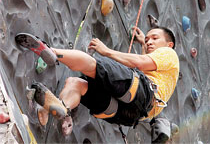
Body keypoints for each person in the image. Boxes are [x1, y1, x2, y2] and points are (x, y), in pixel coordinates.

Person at [15, 26, 179, 141]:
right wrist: (144, 41)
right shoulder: (164, 71)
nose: (150, 42)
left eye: (155, 38)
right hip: (129, 115)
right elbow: (148, 61)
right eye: (148, 39)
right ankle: (63, 108)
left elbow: (141, 63)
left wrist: (105, 50)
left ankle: (52, 52)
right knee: (76, 84)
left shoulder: (169, 54)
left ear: (169, 44)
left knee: (93, 66)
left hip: (141, 92)